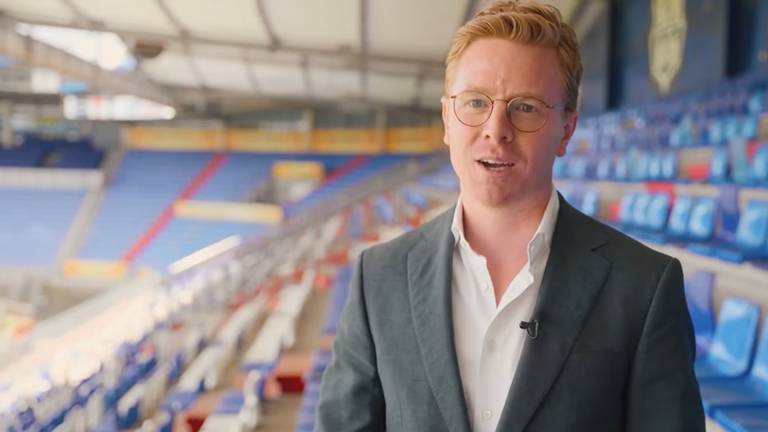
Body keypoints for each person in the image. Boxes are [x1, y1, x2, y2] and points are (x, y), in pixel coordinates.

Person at [316, 1, 705, 431]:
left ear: (567, 130)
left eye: (526, 107)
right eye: (476, 101)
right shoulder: (378, 278)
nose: (496, 128)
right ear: (447, 118)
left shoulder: (645, 287)